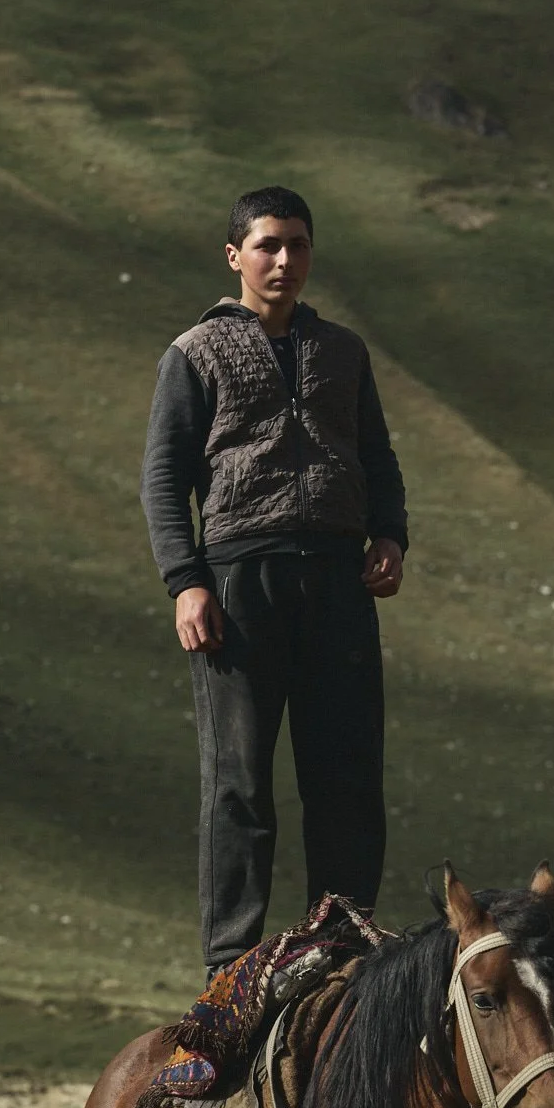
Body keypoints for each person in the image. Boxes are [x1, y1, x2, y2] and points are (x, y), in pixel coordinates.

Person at [141, 186, 409, 980]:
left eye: (297, 244)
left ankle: (343, 941)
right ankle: (232, 957)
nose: (284, 259)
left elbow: (379, 458)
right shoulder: (193, 353)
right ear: (235, 256)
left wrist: (389, 534)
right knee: (239, 777)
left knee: (347, 771)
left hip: (336, 577)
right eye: (267, 245)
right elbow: (164, 476)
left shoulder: (344, 352)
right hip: (238, 578)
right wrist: (185, 581)